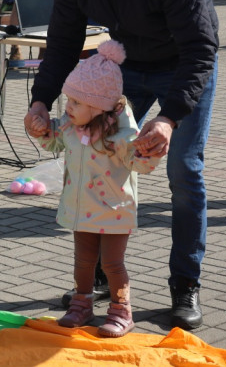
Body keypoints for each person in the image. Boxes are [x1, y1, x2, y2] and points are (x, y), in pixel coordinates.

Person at [23, 0, 219, 330]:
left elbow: (202, 48)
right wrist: (41, 100)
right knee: (97, 154)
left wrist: (168, 118)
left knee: (184, 172)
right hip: (125, 67)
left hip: (183, 67)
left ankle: (185, 283)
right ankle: (96, 279)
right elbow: (62, 41)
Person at [32, 41, 159, 338]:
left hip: (113, 210)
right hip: (81, 208)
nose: (69, 108)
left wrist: (147, 153)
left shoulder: (122, 136)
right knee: (84, 261)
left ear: (99, 105)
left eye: (75, 102)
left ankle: (121, 310)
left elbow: (139, 164)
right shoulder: (69, 127)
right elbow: (53, 142)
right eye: (68, 101)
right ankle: (82, 303)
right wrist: (40, 128)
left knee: (113, 263)